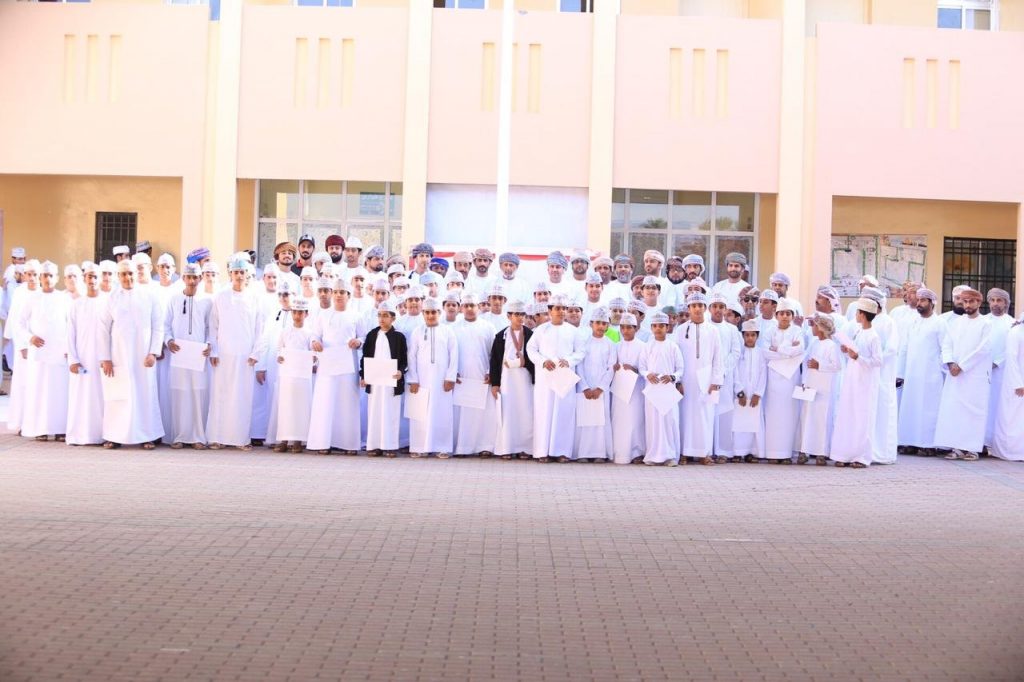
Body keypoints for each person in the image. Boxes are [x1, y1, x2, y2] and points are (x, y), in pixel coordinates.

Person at [99, 261, 164, 449]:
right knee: (118, 395)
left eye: (130, 273)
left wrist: (153, 352)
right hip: (118, 355)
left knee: (145, 393)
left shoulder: (150, 295)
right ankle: (115, 435)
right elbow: (102, 328)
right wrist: (105, 357)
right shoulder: (112, 297)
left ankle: (147, 436)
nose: (127, 277)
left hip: (143, 356)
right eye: (123, 274)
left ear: (137, 273)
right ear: (118, 276)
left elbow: (158, 326)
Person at [206, 258, 266, 451]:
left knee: (242, 397)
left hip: (245, 356)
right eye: (236, 272)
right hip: (223, 355)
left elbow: (260, 328)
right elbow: (213, 326)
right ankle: (217, 437)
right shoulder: (221, 297)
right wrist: (214, 350)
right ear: (230, 274)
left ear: (247, 275)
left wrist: (256, 352)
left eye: (242, 272)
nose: (239, 276)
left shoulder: (254, 298)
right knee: (220, 395)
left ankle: (240, 438)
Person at [306, 278, 365, 455]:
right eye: (336, 292)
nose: (339, 295)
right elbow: (314, 335)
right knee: (325, 401)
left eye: (342, 293)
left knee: (347, 402)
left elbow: (364, 337)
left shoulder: (356, 316)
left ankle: (348, 444)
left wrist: (358, 342)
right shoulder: (323, 315)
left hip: (348, 366)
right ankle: (323, 442)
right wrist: (315, 342)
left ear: (349, 295)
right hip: (327, 365)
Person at [934, 288, 992, 461]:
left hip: (975, 376)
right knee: (954, 410)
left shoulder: (986, 323)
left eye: (971, 301)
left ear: (979, 303)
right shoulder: (956, 323)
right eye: (965, 302)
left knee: (973, 412)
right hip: (955, 375)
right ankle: (956, 447)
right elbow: (946, 344)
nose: (967, 305)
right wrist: (950, 362)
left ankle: (972, 449)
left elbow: (983, 349)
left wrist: (962, 366)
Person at [527, 294, 583, 462]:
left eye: (564, 309)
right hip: (545, 379)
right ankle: (542, 451)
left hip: (564, 377)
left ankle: (562, 452)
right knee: (544, 412)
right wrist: (543, 362)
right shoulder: (540, 330)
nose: (561, 312)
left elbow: (581, 351)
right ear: (550, 310)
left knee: (564, 413)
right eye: (558, 308)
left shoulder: (573, 331)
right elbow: (531, 350)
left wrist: (569, 361)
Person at [163, 263, 212, 449]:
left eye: (195, 277)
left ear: (200, 279)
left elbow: (211, 327)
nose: (192, 281)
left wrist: (209, 344)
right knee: (180, 394)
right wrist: (168, 341)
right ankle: (179, 436)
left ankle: (198, 437)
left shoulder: (207, 301)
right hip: (179, 355)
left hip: (198, 356)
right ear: (183, 278)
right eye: (188, 277)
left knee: (198, 394)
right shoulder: (174, 299)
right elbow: (165, 325)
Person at [830, 297, 883, 468]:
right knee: (848, 415)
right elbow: (854, 353)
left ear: (863, 314)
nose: (856, 315)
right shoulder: (859, 332)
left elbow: (877, 361)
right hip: (852, 378)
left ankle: (861, 457)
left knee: (862, 418)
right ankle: (845, 454)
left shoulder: (874, 336)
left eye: (858, 312)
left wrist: (858, 357)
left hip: (865, 382)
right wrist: (847, 350)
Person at [21, 261, 71, 441]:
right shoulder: (32, 298)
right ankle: (40, 429)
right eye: (44, 275)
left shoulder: (64, 298)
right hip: (39, 353)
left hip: (59, 352)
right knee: (39, 389)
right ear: (40, 278)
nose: (47, 279)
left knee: (59, 390)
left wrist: (68, 348)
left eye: (51, 276)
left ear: (56, 278)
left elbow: (70, 325)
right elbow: (20, 323)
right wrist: (30, 337)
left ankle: (60, 429)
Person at [674, 293, 723, 465]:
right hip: (686, 379)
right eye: (694, 306)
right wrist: (678, 380)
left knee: (705, 415)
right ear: (689, 308)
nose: (697, 309)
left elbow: (718, 357)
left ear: (705, 308)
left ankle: (704, 453)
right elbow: (676, 357)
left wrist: (716, 381)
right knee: (685, 415)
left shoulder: (713, 330)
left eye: (700, 305)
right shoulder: (680, 330)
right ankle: (684, 452)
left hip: (706, 379)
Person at [896, 287, 946, 454]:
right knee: (911, 407)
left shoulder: (940, 323)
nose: (919, 303)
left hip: (931, 374)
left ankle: (927, 444)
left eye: (923, 300)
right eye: (918, 300)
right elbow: (904, 348)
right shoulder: (913, 322)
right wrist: (900, 373)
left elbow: (945, 347)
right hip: (912, 374)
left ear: (932, 303)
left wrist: (940, 368)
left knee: (928, 409)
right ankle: (909, 441)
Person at [406, 298, 458, 458]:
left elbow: (454, 355)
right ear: (423, 313)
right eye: (427, 312)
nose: (430, 315)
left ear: (439, 313)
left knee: (442, 412)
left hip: (442, 381)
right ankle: (419, 446)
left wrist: (450, 377)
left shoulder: (448, 331)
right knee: (420, 412)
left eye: (433, 312)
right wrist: (413, 379)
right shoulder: (417, 332)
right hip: (421, 380)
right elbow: (411, 356)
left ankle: (442, 447)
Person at [66, 263, 107, 446]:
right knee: (81, 396)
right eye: (89, 276)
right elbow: (70, 334)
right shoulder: (76, 305)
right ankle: (80, 435)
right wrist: (73, 360)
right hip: (82, 360)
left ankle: (104, 434)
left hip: (103, 360)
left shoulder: (107, 302)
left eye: (95, 276)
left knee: (103, 396)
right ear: (84, 279)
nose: (92, 280)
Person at [452, 294, 498, 457]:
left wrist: (491, 372)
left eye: (473, 305)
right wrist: (452, 372)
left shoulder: (488, 327)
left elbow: (495, 353)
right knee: (463, 414)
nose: (470, 309)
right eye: (466, 305)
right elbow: (450, 353)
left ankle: (485, 446)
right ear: (461, 308)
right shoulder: (454, 328)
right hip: (461, 378)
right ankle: (462, 447)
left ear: (478, 307)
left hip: (483, 378)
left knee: (484, 414)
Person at [360, 301, 408, 457]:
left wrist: (401, 372)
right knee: (374, 412)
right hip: (375, 382)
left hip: (391, 383)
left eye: (385, 316)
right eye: (379, 315)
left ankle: (390, 446)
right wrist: (363, 375)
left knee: (390, 413)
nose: (382, 319)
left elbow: (404, 360)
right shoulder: (372, 335)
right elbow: (365, 357)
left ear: (393, 318)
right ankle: (374, 445)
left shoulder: (399, 337)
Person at [489, 300, 535, 459]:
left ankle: (525, 448)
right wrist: (495, 383)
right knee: (508, 413)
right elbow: (495, 361)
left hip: (525, 380)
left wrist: (523, 363)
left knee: (526, 413)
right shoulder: (501, 336)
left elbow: (534, 358)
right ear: (509, 316)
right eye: (516, 314)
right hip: (507, 381)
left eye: (522, 314)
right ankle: (507, 448)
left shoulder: (530, 335)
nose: (520, 317)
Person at [761, 298, 804, 463]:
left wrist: (778, 349)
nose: (785, 316)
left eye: (788, 313)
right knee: (773, 415)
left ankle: (787, 454)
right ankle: (773, 454)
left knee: (790, 415)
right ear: (776, 315)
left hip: (791, 378)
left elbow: (799, 349)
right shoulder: (770, 331)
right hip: (773, 379)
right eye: (782, 313)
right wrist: (788, 352)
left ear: (792, 316)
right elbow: (765, 352)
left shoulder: (797, 331)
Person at [638, 311, 684, 466]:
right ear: (651, 328)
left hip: (668, 390)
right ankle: (653, 456)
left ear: (667, 327)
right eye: (655, 326)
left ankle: (670, 456)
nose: (658, 328)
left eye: (662, 326)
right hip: (652, 390)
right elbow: (642, 367)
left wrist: (672, 377)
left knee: (670, 422)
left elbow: (680, 369)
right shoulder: (647, 347)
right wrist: (647, 374)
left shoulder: (673, 347)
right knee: (653, 423)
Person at [272, 297, 315, 453]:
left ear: (306, 314)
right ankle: (284, 439)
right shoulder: (285, 332)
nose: (297, 315)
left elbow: (314, 353)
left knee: (301, 407)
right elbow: (279, 349)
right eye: (295, 312)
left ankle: (298, 440)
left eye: (300, 312)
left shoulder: (310, 333)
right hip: (288, 376)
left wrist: (313, 360)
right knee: (286, 406)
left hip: (303, 377)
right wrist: (279, 356)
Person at [797, 316, 840, 465]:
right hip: (810, 384)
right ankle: (804, 450)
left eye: (814, 326)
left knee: (821, 419)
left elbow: (836, 366)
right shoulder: (814, 343)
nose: (812, 329)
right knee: (807, 418)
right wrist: (804, 381)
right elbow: (806, 362)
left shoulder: (832, 345)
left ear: (821, 328)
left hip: (824, 388)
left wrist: (819, 365)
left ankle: (821, 453)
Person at [574, 307, 614, 462]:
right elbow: (579, 366)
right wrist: (584, 387)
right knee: (585, 419)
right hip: (585, 388)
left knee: (600, 420)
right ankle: (583, 453)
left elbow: (611, 368)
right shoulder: (584, 343)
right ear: (591, 324)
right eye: (598, 323)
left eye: (604, 323)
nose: (600, 326)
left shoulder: (610, 344)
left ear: (608, 326)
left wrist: (600, 388)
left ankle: (599, 454)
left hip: (601, 390)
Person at [7, 260, 40, 432]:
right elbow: (15, 320)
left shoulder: (43, 291)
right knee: (23, 384)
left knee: (38, 385)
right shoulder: (20, 293)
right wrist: (22, 345)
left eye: (35, 274)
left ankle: (38, 422)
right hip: (24, 347)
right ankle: (22, 422)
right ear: (24, 275)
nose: (32, 277)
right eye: (29, 274)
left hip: (41, 347)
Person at [708, 293, 741, 462]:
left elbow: (735, 352)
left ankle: (723, 451)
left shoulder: (732, 329)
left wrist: (722, 371)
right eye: (715, 306)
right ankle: (707, 450)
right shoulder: (705, 327)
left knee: (724, 413)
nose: (718, 310)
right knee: (708, 413)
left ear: (726, 309)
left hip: (725, 378)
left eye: (721, 307)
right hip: (708, 377)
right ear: (709, 309)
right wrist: (713, 372)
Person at [611, 312, 646, 464]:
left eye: (629, 327)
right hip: (619, 389)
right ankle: (620, 453)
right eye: (623, 327)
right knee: (619, 420)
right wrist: (615, 367)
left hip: (636, 388)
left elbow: (646, 368)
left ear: (636, 328)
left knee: (636, 419)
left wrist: (634, 369)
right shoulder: (616, 346)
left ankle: (637, 452)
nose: (625, 331)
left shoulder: (643, 346)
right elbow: (611, 365)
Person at [990, 312, 1024, 462]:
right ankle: (1010, 451)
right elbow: (1011, 358)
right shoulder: (1015, 332)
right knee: (1012, 418)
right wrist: (1018, 383)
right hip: (1015, 382)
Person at [983, 288, 1013, 450]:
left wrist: (996, 362)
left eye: (999, 300)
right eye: (992, 300)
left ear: (1006, 303)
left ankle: (994, 443)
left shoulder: (1011, 323)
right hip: (982, 371)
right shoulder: (983, 321)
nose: (995, 304)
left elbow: (1010, 349)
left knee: (997, 406)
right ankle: (981, 442)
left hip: (1001, 372)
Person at [733, 319, 766, 462]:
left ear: (757, 336)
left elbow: (763, 374)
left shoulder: (761, 353)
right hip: (741, 395)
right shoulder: (739, 352)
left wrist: (758, 394)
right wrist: (739, 392)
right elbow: (735, 372)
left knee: (753, 424)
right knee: (739, 423)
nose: (750, 338)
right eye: (747, 335)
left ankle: (751, 452)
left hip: (755, 395)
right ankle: (737, 452)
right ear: (743, 336)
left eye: (753, 335)